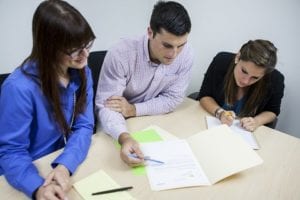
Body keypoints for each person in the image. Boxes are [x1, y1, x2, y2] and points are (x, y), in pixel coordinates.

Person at [0, 0, 95, 199]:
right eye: (74, 50)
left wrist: (64, 165)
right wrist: (38, 188)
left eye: (87, 44)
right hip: (27, 173)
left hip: (62, 161)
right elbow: (11, 152)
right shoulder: (18, 88)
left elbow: (85, 126)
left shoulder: (82, 71)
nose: (85, 55)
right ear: (49, 48)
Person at [95, 1, 193, 166]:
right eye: (167, 45)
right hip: (117, 127)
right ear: (150, 32)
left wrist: (133, 109)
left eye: (180, 46)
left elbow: (173, 98)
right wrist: (124, 137)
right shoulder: (121, 54)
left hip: (151, 120)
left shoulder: (187, 54)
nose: (174, 54)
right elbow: (107, 106)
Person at [198, 39, 284, 132]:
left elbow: (272, 111)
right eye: (244, 71)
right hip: (208, 125)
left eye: (255, 78)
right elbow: (204, 95)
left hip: (244, 133)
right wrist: (220, 113)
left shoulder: (275, 79)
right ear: (238, 57)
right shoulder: (221, 61)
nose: (246, 81)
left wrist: (256, 121)